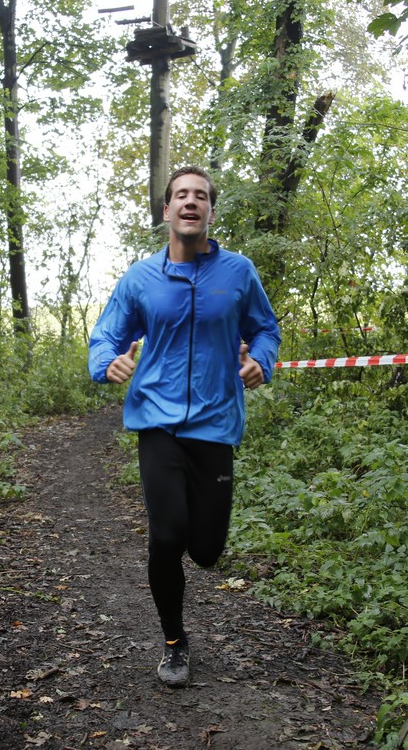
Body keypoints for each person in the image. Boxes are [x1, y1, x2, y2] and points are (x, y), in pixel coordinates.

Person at [88, 165, 281, 687]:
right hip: (157, 420)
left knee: (207, 552)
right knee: (168, 535)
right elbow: (106, 334)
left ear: (210, 212)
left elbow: (266, 329)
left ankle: (196, 557)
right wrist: (107, 363)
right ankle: (174, 643)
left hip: (216, 425)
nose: (190, 201)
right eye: (181, 195)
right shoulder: (140, 278)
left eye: (200, 196)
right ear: (167, 210)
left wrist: (261, 360)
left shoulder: (238, 273)